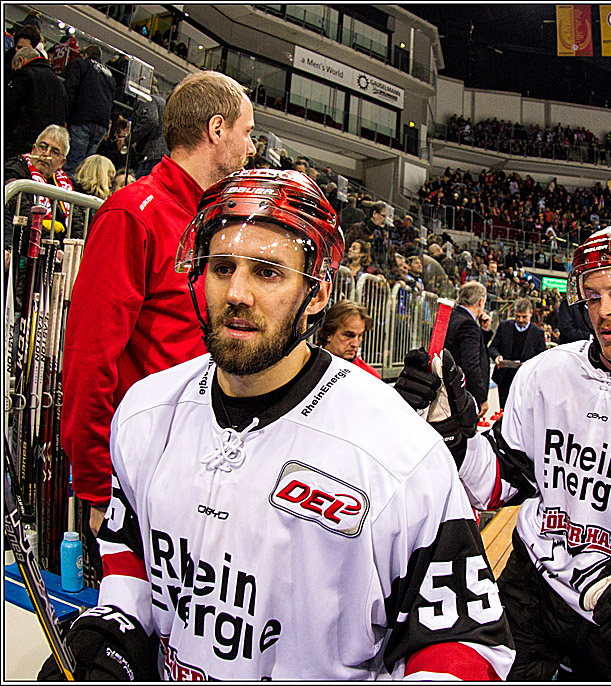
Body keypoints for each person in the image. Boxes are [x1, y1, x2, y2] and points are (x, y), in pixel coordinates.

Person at [39, 168, 514, 681]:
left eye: (267, 272)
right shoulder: (146, 411)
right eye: (222, 268)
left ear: (315, 295)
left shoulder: (399, 452)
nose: (237, 293)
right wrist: (115, 632)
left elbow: (463, 643)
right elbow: (132, 550)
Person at [397, 225, 611, 680]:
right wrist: (453, 440)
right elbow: (504, 482)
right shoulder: (545, 373)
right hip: (532, 583)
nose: (604, 311)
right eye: (593, 295)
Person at [62, 71, 257, 549]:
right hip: (140, 470)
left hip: (203, 460)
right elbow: (90, 356)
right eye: (247, 132)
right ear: (217, 129)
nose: (252, 147)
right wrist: (95, 480)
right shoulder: (133, 214)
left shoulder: (214, 223)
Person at [4, 125, 77, 247]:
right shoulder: (15, 169)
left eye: (55, 152)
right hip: (20, 246)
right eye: (43, 147)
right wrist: (50, 248)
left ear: (62, 162)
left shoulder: (66, 185)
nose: (46, 154)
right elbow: (22, 211)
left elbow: (76, 222)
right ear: (33, 149)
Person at [4, 46, 69, 161]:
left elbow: (9, 107)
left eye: (15, 68)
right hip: (46, 145)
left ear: (21, 61)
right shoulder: (59, 83)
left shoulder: (24, 75)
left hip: (20, 142)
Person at [63, 45, 116, 175]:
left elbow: (70, 89)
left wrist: (64, 116)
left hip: (82, 118)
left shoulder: (81, 65)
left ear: (85, 55)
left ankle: (66, 192)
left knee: (73, 164)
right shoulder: (109, 75)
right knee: (87, 169)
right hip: (101, 124)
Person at [445, 281, 492, 420]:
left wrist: (483, 330)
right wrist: (481, 398)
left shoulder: (453, 317)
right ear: (481, 301)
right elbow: (471, 364)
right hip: (464, 395)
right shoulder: (468, 325)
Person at [488, 297, 546, 410]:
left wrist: (530, 364)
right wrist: (497, 356)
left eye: (524, 317)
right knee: (504, 410)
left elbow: (541, 357)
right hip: (504, 377)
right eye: (517, 316)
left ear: (531, 314)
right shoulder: (504, 326)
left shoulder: (538, 333)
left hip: (526, 379)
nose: (520, 320)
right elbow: (493, 347)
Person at [318, 299, 380, 379]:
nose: (355, 344)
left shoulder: (370, 376)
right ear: (328, 334)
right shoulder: (303, 363)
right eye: (348, 335)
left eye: (360, 336)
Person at [131, 81, 168, 178]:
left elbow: (151, 119)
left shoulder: (149, 99)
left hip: (151, 155)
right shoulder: (163, 102)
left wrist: (130, 139)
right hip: (162, 154)